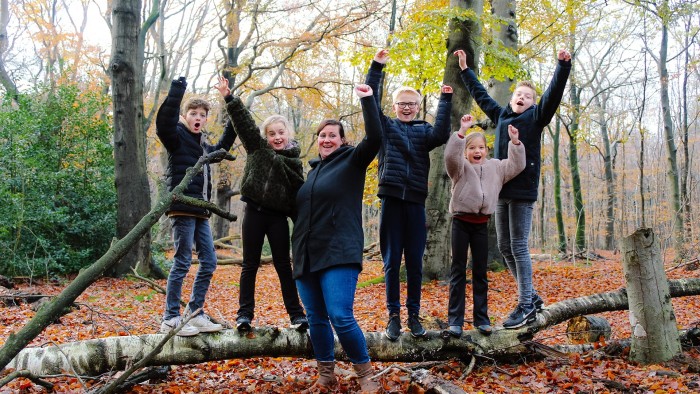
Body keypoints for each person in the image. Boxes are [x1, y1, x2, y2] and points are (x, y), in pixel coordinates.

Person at [454, 48, 572, 329]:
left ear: (533, 104)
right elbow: (481, 95)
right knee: (505, 247)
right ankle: (530, 296)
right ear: (512, 98)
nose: (522, 98)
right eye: (519, 95)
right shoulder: (502, 116)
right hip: (500, 190)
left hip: (523, 192)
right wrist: (464, 69)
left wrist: (562, 66)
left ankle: (525, 305)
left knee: (518, 246)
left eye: (528, 97)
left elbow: (553, 95)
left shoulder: (536, 118)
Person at [291, 84, 382, 393]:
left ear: (342, 140)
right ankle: (326, 376)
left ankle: (366, 375)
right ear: (317, 141)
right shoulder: (312, 173)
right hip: (306, 255)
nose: (326, 139)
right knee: (316, 318)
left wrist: (368, 98)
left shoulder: (352, 163)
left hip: (339, 250)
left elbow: (376, 138)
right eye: (322, 135)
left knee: (340, 316)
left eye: (333, 135)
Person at [365, 48, 453, 340]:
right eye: (402, 103)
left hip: (415, 202)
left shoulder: (424, 131)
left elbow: (442, 134)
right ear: (395, 105)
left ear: (418, 106)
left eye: (412, 104)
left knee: (414, 262)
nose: (406, 107)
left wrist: (445, 99)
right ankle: (393, 317)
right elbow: (371, 102)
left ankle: (414, 316)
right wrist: (376, 67)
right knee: (391, 263)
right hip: (391, 200)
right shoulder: (386, 128)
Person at [220, 77, 308, 333]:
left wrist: (303, 224)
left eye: (281, 133)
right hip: (254, 214)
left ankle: (297, 315)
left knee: (283, 265)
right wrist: (229, 98)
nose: (277, 137)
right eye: (272, 134)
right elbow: (244, 122)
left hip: (278, 218)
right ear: (265, 136)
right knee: (249, 265)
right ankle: (244, 315)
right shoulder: (257, 148)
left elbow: (297, 197)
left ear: (288, 135)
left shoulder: (294, 162)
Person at [155, 76, 237, 336]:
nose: (198, 117)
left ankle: (195, 312)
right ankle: (170, 317)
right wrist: (177, 91)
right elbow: (164, 124)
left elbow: (223, 147)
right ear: (185, 116)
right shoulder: (177, 138)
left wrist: (231, 103)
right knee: (181, 261)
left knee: (210, 261)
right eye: (193, 113)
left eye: (202, 114)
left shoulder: (203, 145)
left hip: (201, 211)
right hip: (182, 207)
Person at [443, 115, 525, 338]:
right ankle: (455, 321)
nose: (476, 152)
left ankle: (482, 319)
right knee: (458, 270)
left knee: (480, 273)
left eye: (481, 148)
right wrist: (461, 132)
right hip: (460, 223)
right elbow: (450, 156)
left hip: (481, 225)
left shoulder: (496, 168)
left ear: (486, 151)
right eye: (472, 148)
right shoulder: (459, 167)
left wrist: (515, 143)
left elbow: (517, 165)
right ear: (466, 151)